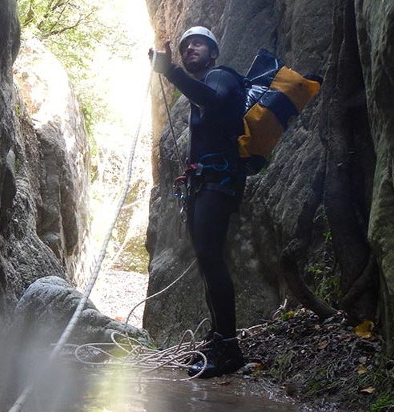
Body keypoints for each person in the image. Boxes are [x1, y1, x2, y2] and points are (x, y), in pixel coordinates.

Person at [149, 26, 246, 378]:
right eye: (187, 44)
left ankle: (229, 346)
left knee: (212, 259)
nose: (191, 48)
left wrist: (171, 71)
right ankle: (218, 339)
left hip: (218, 183)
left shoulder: (222, 77)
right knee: (207, 261)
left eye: (199, 44)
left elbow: (217, 101)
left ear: (214, 53)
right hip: (206, 183)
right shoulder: (202, 89)